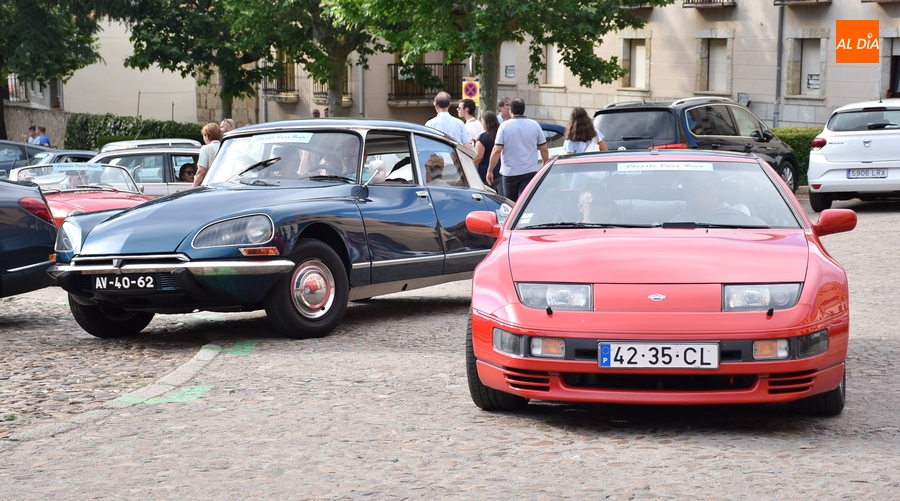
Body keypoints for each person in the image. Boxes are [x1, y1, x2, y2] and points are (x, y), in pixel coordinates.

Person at [487, 97, 549, 202]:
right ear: (523, 109)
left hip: (510, 172)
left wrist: (490, 170)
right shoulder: (535, 125)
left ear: (511, 110)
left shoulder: (504, 126)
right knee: (525, 202)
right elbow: (544, 148)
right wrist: (544, 164)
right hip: (529, 170)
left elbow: (497, 150)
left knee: (511, 204)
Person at [670, 174, 750, 222]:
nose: (689, 199)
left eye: (695, 193)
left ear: (713, 193)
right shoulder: (679, 221)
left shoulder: (737, 212)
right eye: (686, 194)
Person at [472, 110, 502, 194]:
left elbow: (478, 156)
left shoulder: (483, 137)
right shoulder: (500, 134)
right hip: (499, 171)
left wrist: (469, 166)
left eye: (482, 121)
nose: (481, 124)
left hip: (484, 172)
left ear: (486, 122)